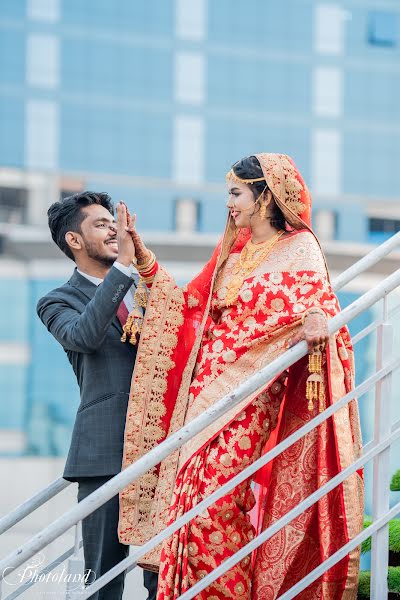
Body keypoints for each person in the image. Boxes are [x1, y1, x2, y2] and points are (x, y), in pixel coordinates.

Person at [118, 154, 364, 599]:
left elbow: (321, 311)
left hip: (252, 396)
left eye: (236, 193)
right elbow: (189, 306)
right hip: (204, 392)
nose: (229, 204)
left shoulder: (300, 248)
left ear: (265, 194)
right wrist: (144, 260)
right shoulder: (234, 249)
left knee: (216, 506)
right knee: (187, 505)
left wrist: (315, 320)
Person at [36, 192, 158, 600]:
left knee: (164, 573)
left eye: (115, 222)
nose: (113, 230)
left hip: (161, 447)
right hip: (104, 453)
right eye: (101, 224)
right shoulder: (57, 301)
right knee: (102, 580)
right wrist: (122, 267)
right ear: (74, 240)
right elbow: (84, 336)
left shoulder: (148, 288)